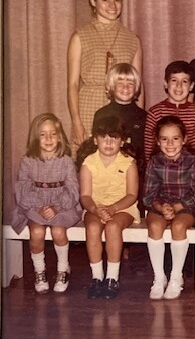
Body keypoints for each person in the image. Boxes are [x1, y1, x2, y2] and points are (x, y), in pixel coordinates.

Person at [67, 0, 143, 148]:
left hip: (122, 108)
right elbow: (72, 84)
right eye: (105, 0)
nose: (112, 6)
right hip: (89, 107)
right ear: (93, 1)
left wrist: (138, 121)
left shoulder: (133, 39)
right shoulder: (80, 36)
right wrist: (76, 121)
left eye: (117, 0)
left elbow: (138, 85)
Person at [12, 113, 82, 294]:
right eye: (43, 134)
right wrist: (39, 207)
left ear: (60, 137)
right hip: (35, 206)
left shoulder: (66, 161)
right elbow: (23, 189)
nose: (49, 138)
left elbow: (73, 190)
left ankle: (62, 270)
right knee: (36, 231)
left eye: (53, 134)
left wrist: (56, 207)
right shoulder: (27, 161)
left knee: (59, 231)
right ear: (35, 138)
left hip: (63, 207)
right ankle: (40, 271)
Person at [79, 116, 140, 299]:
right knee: (92, 227)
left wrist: (113, 209)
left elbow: (132, 195)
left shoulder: (128, 163)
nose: (108, 142)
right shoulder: (88, 163)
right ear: (95, 139)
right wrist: (96, 210)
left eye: (114, 137)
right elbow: (85, 196)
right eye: (103, 137)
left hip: (123, 208)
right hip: (95, 208)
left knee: (113, 227)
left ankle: (112, 278)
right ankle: (97, 277)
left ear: (122, 141)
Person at [144, 116, 195, 300]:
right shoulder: (154, 162)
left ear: (184, 139)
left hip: (186, 206)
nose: (170, 144)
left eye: (175, 138)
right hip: (161, 205)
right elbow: (148, 195)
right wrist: (162, 207)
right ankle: (159, 277)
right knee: (154, 226)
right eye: (164, 139)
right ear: (157, 141)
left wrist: (176, 207)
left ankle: (176, 276)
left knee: (178, 226)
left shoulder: (193, 162)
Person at [94, 63, 147, 203]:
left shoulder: (144, 116)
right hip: (108, 173)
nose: (125, 87)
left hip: (135, 174)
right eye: (120, 83)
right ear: (111, 86)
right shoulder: (101, 114)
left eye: (130, 83)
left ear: (136, 87)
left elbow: (144, 150)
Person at [144, 61, 195, 162]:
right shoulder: (155, 112)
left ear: (191, 86)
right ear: (165, 84)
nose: (179, 86)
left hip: (188, 166)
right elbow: (148, 147)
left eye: (184, 81)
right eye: (174, 80)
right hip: (160, 166)